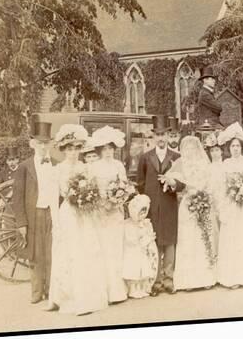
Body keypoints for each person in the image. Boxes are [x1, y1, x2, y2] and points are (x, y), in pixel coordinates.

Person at [46, 124, 109, 315]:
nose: (73, 152)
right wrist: (56, 222)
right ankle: (61, 297)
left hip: (84, 214)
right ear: (64, 150)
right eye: (69, 148)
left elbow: (95, 191)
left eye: (76, 148)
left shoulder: (86, 168)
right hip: (68, 213)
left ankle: (85, 298)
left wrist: (88, 197)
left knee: (85, 252)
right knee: (67, 252)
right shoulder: (58, 170)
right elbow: (52, 198)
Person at [136, 115, 183, 296]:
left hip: (170, 205)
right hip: (153, 206)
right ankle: (155, 282)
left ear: (168, 135)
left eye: (164, 134)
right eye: (158, 135)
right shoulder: (145, 158)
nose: (161, 138)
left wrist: (173, 184)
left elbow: (183, 182)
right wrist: (144, 203)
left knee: (170, 242)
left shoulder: (176, 157)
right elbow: (140, 182)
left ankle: (168, 280)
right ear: (153, 137)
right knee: (153, 243)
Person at [11, 121, 58, 304]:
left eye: (46, 143)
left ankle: (50, 291)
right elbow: (17, 197)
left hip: (52, 214)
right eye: (39, 143)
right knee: (36, 254)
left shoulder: (56, 164)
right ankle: (36, 293)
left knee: (51, 252)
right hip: (34, 215)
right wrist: (21, 223)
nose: (43, 146)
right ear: (32, 144)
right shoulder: (24, 166)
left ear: (50, 144)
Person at [166, 136, 217, 291]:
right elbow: (170, 177)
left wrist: (203, 194)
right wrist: (177, 184)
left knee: (203, 238)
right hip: (188, 203)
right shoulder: (180, 163)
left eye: (192, 148)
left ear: (197, 149)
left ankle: (206, 278)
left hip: (202, 200)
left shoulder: (203, 164)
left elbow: (210, 182)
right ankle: (188, 280)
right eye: (186, 148)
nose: (189, 151)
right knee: (188, 238)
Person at [87, 125, 129, 304]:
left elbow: (125, 187)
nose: (108, 152)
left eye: (111, 148)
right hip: (101, 212)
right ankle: (103, 289)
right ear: (99, 150)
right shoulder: (93, 167)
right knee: (103, 250)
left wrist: (118, 200)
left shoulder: (119, 165)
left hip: (116, 212)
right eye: (104, 149)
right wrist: (102, 203)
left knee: (116, 249)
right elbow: (90, 190)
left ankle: (118, 291)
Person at [216, 122, 243, 289]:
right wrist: (232, 195)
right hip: (232, 206)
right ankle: (232, 277)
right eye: (233, 146)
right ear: (229, 148)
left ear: (242, 147)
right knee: (233, 239)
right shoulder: (226, 164)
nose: (235, 149)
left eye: (238, 146)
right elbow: (222, 186)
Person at [122, 194, 159, 299]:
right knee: (134, 271)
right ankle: (134, 289)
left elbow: (149, 234)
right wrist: (143, 239)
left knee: (144, 270)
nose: (143, 215)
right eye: (140, 213)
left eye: (145, 212)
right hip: (133, 252)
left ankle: (142, 288)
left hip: (143, 251)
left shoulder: (146, 223)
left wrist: (149, 239)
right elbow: (131, 240)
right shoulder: (128, 224)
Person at [203, 132, 224, 258]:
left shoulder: (226, 166)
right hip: (211, 201)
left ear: (221, 151)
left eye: (217, 150)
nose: (215, 153)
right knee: (213, 229)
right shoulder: (208, 168)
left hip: (224, 200)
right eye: (212, 151)